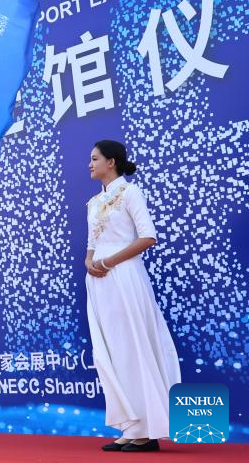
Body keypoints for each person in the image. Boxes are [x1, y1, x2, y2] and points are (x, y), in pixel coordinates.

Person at [85, 140, 180, 453]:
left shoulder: (130, 192)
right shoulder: (93, 202)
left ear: (111, 162)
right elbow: (92, 243)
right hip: (99, 283)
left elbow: (148, 237)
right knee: (112, 352)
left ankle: (147, 431)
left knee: (133, 348)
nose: (90, 164)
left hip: (124, 276)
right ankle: (130, 427)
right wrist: (90, 262)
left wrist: (109, 262)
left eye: (95, 159)